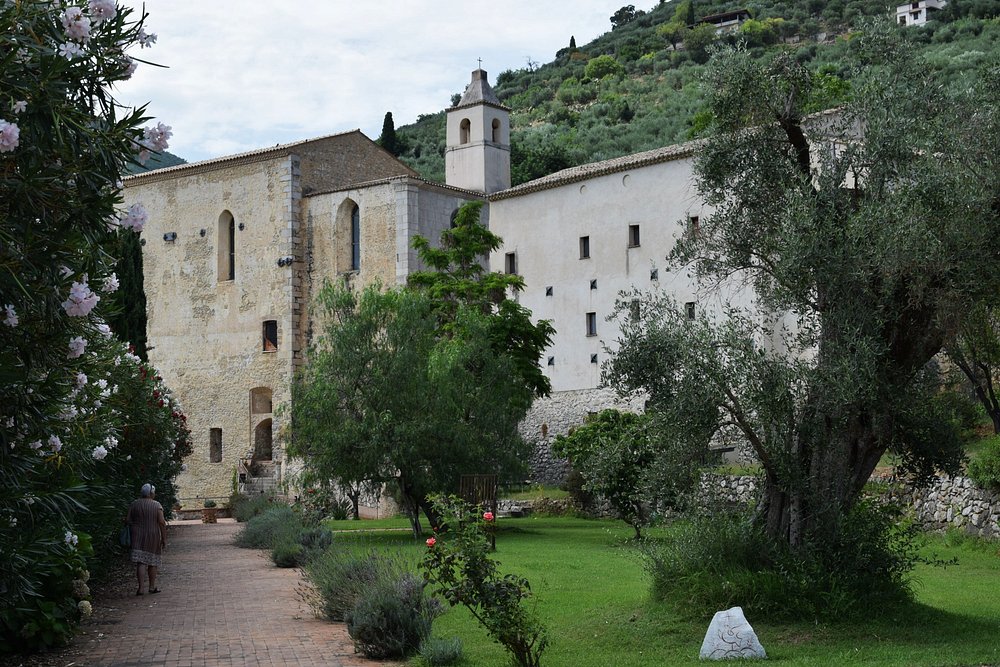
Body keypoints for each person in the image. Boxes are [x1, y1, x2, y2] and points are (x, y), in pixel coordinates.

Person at [126, 483, 167, 595]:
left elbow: (128, 520)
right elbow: (161, 522)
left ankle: (140, 588)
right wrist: (164, 537)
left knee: (141, 561)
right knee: (152, 561)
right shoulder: (157, 505)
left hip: (137, 535)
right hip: (152, 535)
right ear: (151, 493)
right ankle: (152, 587)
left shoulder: (134, 504)